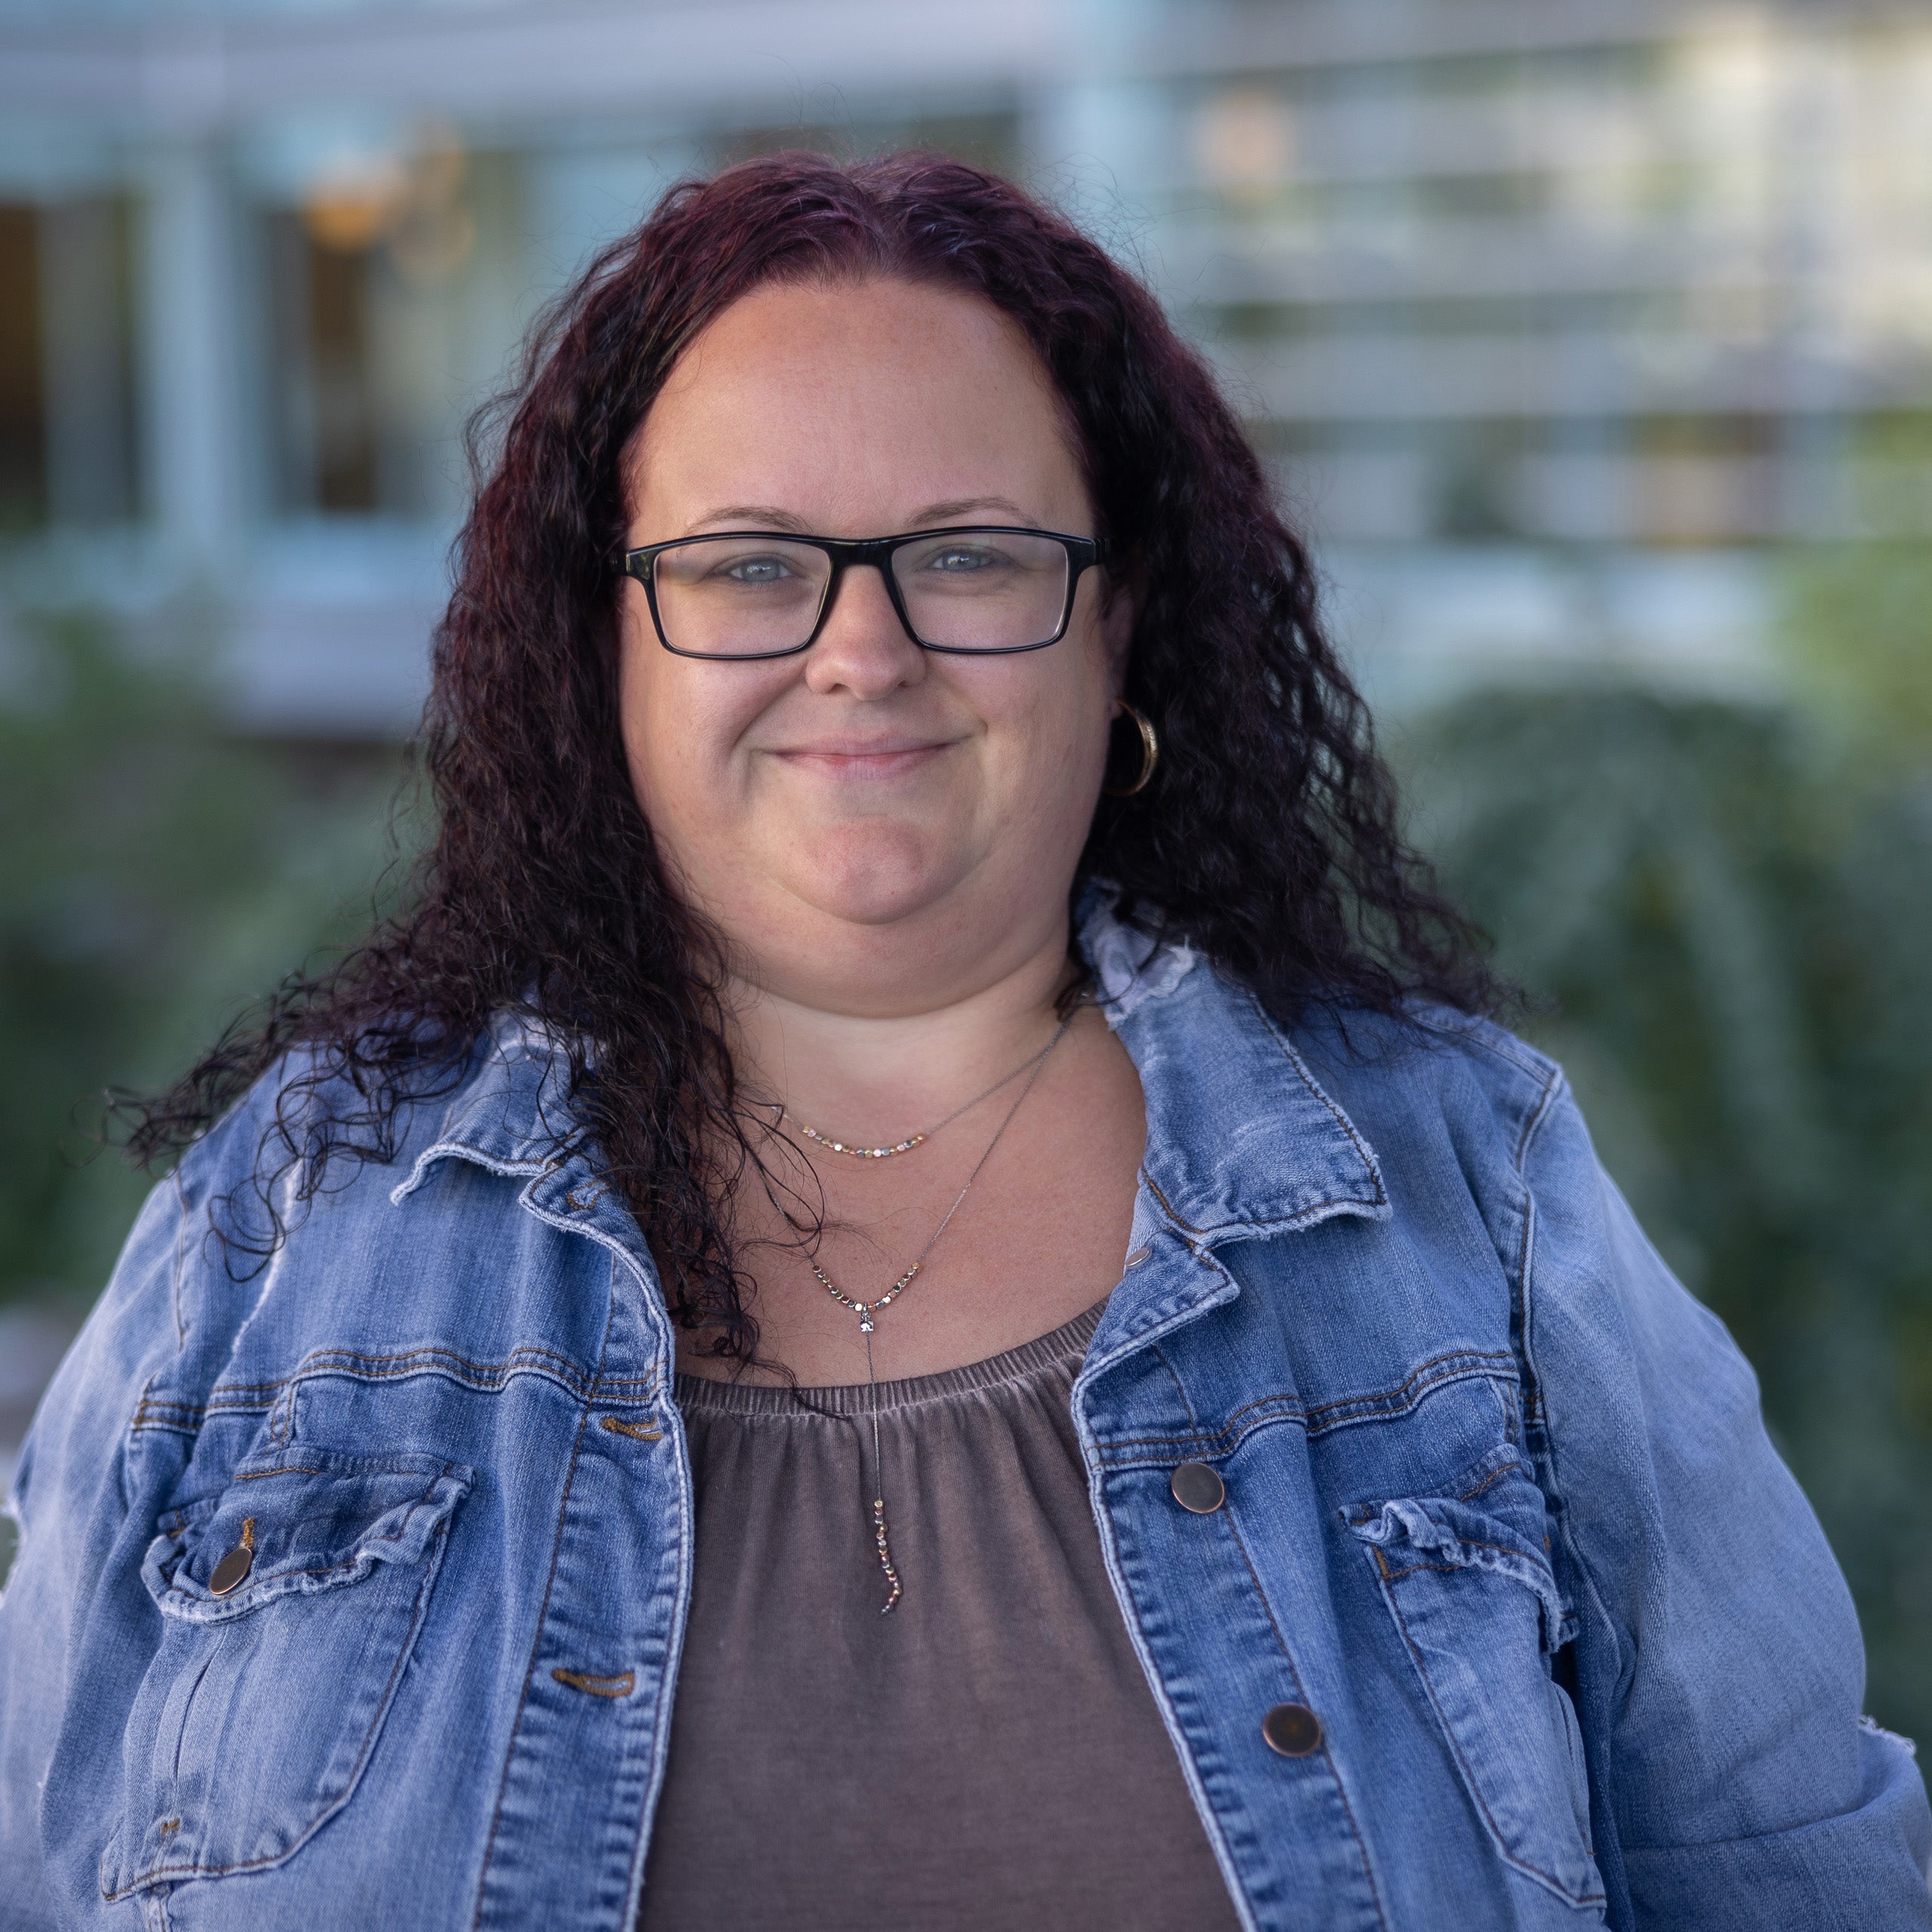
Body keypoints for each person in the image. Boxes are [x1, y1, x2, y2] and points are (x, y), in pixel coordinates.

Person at [0, 152, 1926, 1932]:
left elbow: (1801, 1882)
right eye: (748, 561)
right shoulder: (285, 1219)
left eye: (972, 555)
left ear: (1117, 629)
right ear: (608, 647)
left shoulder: (1468, 1193)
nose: (858, 648)